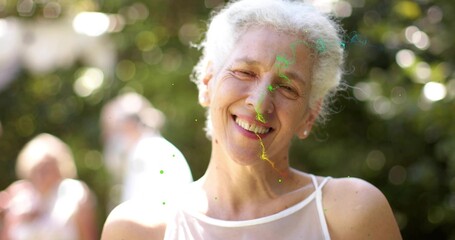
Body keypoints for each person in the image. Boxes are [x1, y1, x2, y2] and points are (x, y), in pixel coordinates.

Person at [101, 0, 402, 239]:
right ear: (207, 83)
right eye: (245, 72)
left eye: (287, 87)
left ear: (309, 116)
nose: (259, 104)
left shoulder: (351, 212)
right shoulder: (138, 230)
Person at [100, 92, 193, 209]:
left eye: (111, 129)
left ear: (128, 125)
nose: (107, 138)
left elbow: (139, 211)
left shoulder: (145, 154)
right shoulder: (157, 148)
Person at [0, 133, 98, 240]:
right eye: (37, 168)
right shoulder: (20, 196)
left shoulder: (74, 193)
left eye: (47, 167)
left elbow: (88, 235)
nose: (42, 174)